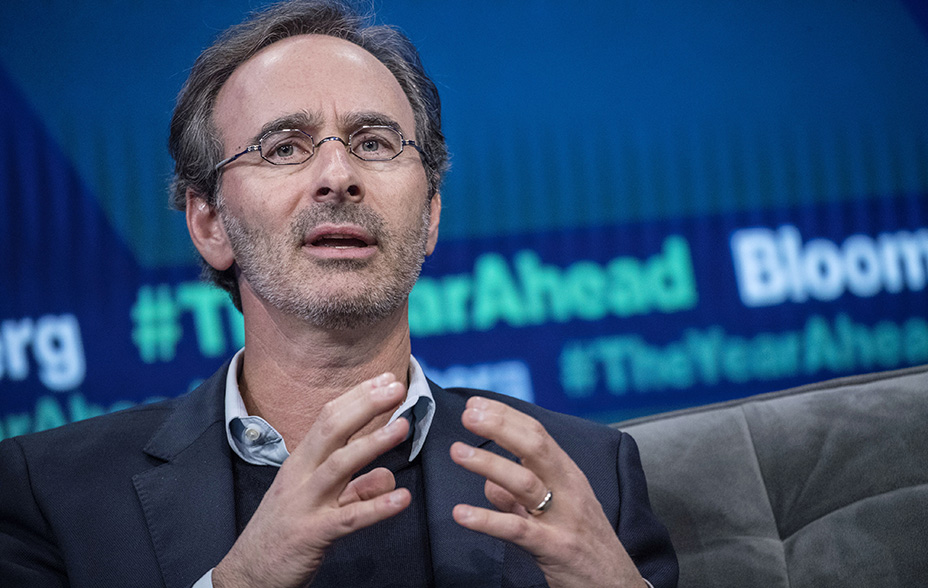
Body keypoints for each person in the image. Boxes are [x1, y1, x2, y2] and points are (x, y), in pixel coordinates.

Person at [0, 1, 678, 586]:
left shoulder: (589, 473)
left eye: (374, 142)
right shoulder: (51, 494)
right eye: (284, 147)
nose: (338, 176)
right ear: (208, 223)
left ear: (432, 213)